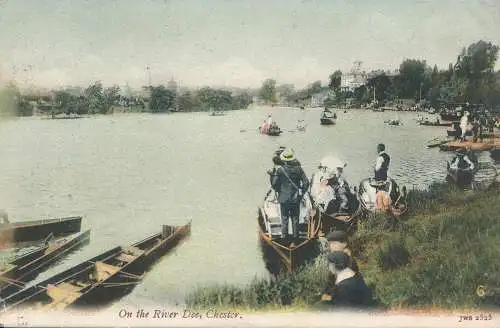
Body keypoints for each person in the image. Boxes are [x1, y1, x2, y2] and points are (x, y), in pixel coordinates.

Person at [269, 148, 310, 239]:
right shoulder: (299, 169)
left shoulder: (280, 170)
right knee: (295, 218)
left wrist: (279, 190)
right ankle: (295, 239)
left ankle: (285, 238)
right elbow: (306, 183)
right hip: (296, 198)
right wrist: (301, 192)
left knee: (284, 219)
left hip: (283, 198)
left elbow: (275, 184)